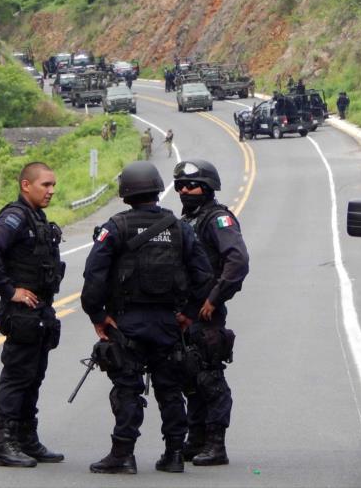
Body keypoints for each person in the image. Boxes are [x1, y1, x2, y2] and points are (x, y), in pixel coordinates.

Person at [82, 161, 213, 475]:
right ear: (157, 188)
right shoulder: (179, 227)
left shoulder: (115, 227)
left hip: (126, 323)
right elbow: (204, 274)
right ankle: (175, 455)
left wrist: (98, 316)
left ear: (125, 192)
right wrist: (188, 314)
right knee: (170, 389)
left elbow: (93, 277)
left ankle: (123, 454)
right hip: (168, 323)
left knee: (127, 389)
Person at [0, 162, 66, 468]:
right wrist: (9, 290)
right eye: (45, 185)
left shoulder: (36, 218)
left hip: (40, 311)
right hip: (22, 313)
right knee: (17, 377)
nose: (51, 191)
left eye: (53, 185)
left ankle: (28, 440)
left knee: (34, 377)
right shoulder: (15, 217)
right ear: (26, 185)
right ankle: (6, 444)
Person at [172, 160, 249, 467]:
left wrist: (214, 300)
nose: (185, 191)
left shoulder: (218, 220)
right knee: (189, 376)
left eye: (191, 186)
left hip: (204, 313)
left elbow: (237, 262)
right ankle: (197, 437)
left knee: (209, 378)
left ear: (207, 188)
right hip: (183, 313)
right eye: (180, 186)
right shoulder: (187, 220)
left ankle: (216, 444)